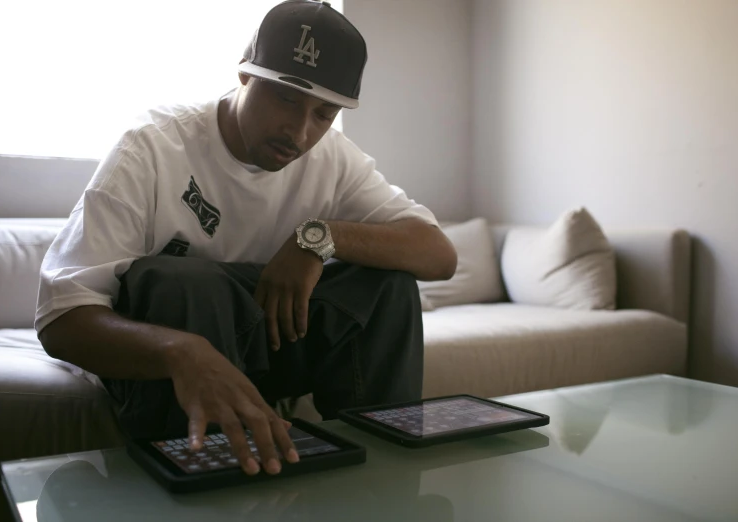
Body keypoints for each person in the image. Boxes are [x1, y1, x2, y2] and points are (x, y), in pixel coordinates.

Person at [36, 0, 456, 478]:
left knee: (388, 286)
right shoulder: (154, 145)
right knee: (179, 283)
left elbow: (437, 254)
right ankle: (197, 482)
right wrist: (182, 352)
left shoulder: (334, 161)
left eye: (323, 114)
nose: (299, 132)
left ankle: (384, 482)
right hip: (167, 357)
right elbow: (61, 318)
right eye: (286, 98)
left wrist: (316, 239)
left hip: (272, 340)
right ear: (244, 73)